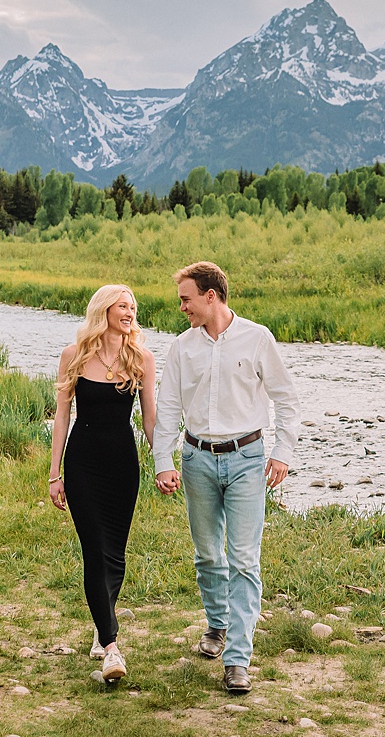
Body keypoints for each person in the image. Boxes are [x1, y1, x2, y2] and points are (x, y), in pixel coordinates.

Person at [154, 260, 299, 695]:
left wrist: (282, 453)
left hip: (247, 459)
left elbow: (286, 398)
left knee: (243, 559)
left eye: (186, 298)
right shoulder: (182, 347)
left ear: (210, 296)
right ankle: (216, 625)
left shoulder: (257, 338)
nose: (182, 307)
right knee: (207, 555)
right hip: (197, 459)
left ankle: (237, 659)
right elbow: (169, 409)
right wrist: (164, 460)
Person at [48, 284, 157, 684]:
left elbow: (149, 421)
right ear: (104, 310)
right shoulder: (73, 356)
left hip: (122, 464)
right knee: (95, 547)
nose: (129, 313)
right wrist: (54, 473)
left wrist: (165, 463)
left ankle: (101, 621)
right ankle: (111, 648)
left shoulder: (142, 358)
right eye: (122, 306)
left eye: (133, 307)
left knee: (115, 553)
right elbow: (61, 416)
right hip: (83, 463)